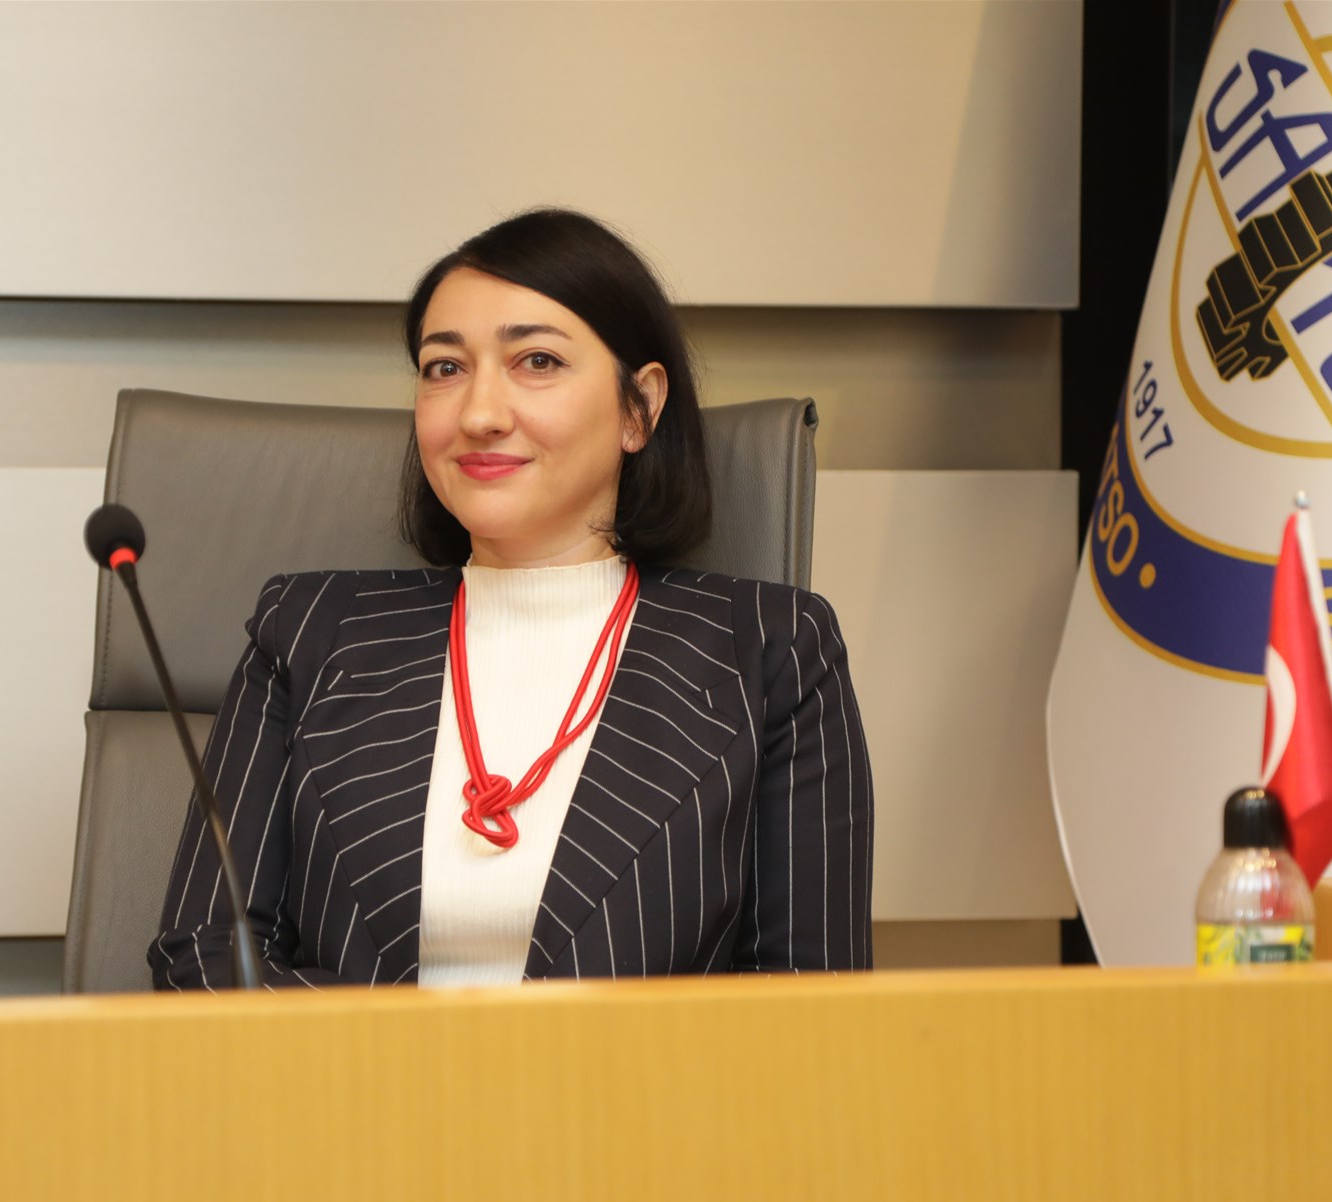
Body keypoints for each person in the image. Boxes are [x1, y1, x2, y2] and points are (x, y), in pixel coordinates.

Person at [150, 209, 872, 989]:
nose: (479, 414)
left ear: (639, 407)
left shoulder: (771, 651)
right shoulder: (307, 633)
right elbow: (205, 959)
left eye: (537, 361)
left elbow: (810, 1002)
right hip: (346, 1074)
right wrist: (414, 1059)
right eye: (444, 368)